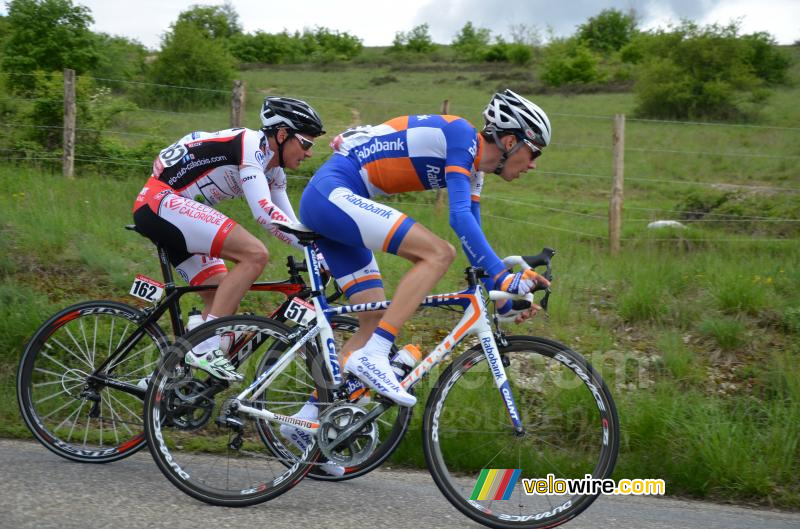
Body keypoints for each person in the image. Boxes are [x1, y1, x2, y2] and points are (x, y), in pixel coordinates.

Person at [298, 89, 552, 408]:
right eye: (534, 153)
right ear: (512, 142)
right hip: (331, 194)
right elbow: (458, 219)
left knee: (375, 315)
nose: (533, 165)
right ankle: (375, 356)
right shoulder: (462, 135)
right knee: (438, 254)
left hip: (339, 203)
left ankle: (309, 418)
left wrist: (502, 300)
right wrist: (504, 277)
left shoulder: (475, 172)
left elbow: (471, 238)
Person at [132, 96, 325, 382]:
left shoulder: (275, 171)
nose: (308, 153)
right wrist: (319, 251)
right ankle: (205, 349)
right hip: (160, 203)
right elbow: (265, 214)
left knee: (221, 296)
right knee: (255, 254)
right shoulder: (250, 146)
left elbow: (290, 225)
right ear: (282, 135)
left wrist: (320, 252)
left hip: (172, 211)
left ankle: (163, 383)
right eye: (306, 143)